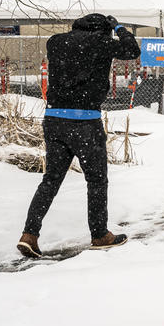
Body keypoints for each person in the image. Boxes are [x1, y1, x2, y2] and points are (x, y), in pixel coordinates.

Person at [17, 13, 141, 258]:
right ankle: (99, 234)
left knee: (50, 180)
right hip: (85, 122)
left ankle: (29, 234)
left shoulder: (55, 42)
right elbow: (131, 50)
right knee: (96, 181)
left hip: (54, 120)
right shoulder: (101, 43)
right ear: (102, 30)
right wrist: (119, 28)